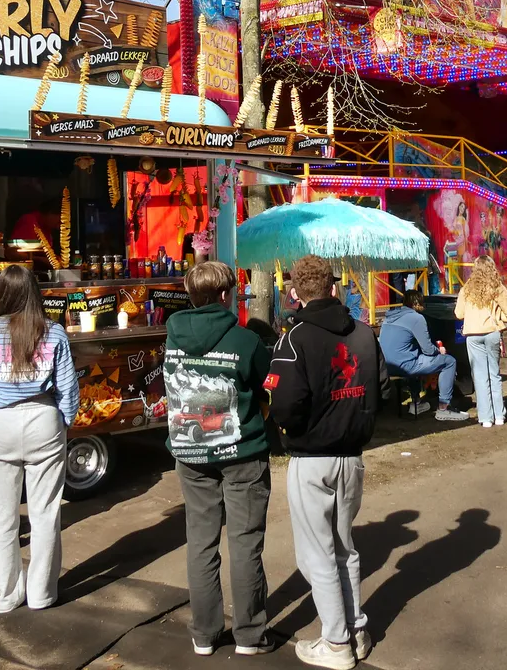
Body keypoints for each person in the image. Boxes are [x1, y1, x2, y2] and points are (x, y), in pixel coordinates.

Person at [267, 255, 387, 669]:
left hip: (311, 457)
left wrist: (291, 431)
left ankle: (337, 642)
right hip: (351, 455)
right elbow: (381, 384)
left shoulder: (294, 339)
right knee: (343, 548)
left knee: (317, 554)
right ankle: (354, 630)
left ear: (296, 294)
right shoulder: (363, 333)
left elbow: (283, 404)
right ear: (334, 288)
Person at [164, 261, 275, 657]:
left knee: (201, 540)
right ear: (226, 296)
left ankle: (204, 633)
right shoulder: (245, 341)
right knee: (244, 541)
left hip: (191, 453)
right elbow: (270, 380)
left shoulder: (172, 335)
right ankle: (249, 634)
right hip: (241, 451)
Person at [0, 264, 79, 613]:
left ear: (0, 295)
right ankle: (41, 594)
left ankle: (8, 593)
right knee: (45, 512)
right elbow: (68, 389)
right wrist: (64, 422)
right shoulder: (55, 332)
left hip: (0, 424)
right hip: (43, 421)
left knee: (0, 514)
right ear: (35, 293)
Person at [379, 290, 469, 422]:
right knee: (449, 362)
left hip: (386, 365)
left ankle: (416, 402)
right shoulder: (416, 318)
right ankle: (444, 408)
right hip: (405, 365)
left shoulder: (389, 317)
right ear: (418, 304)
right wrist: (440, 351)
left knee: (413, 353)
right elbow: (428, 350)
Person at [455, 255, 507, 428]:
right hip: (492, 332)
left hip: (473, 335)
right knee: (494, 374)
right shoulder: (497, 287)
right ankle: (499, 415)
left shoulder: (466, 289)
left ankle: (485, 418)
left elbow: (459, 314)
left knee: (480, 376)